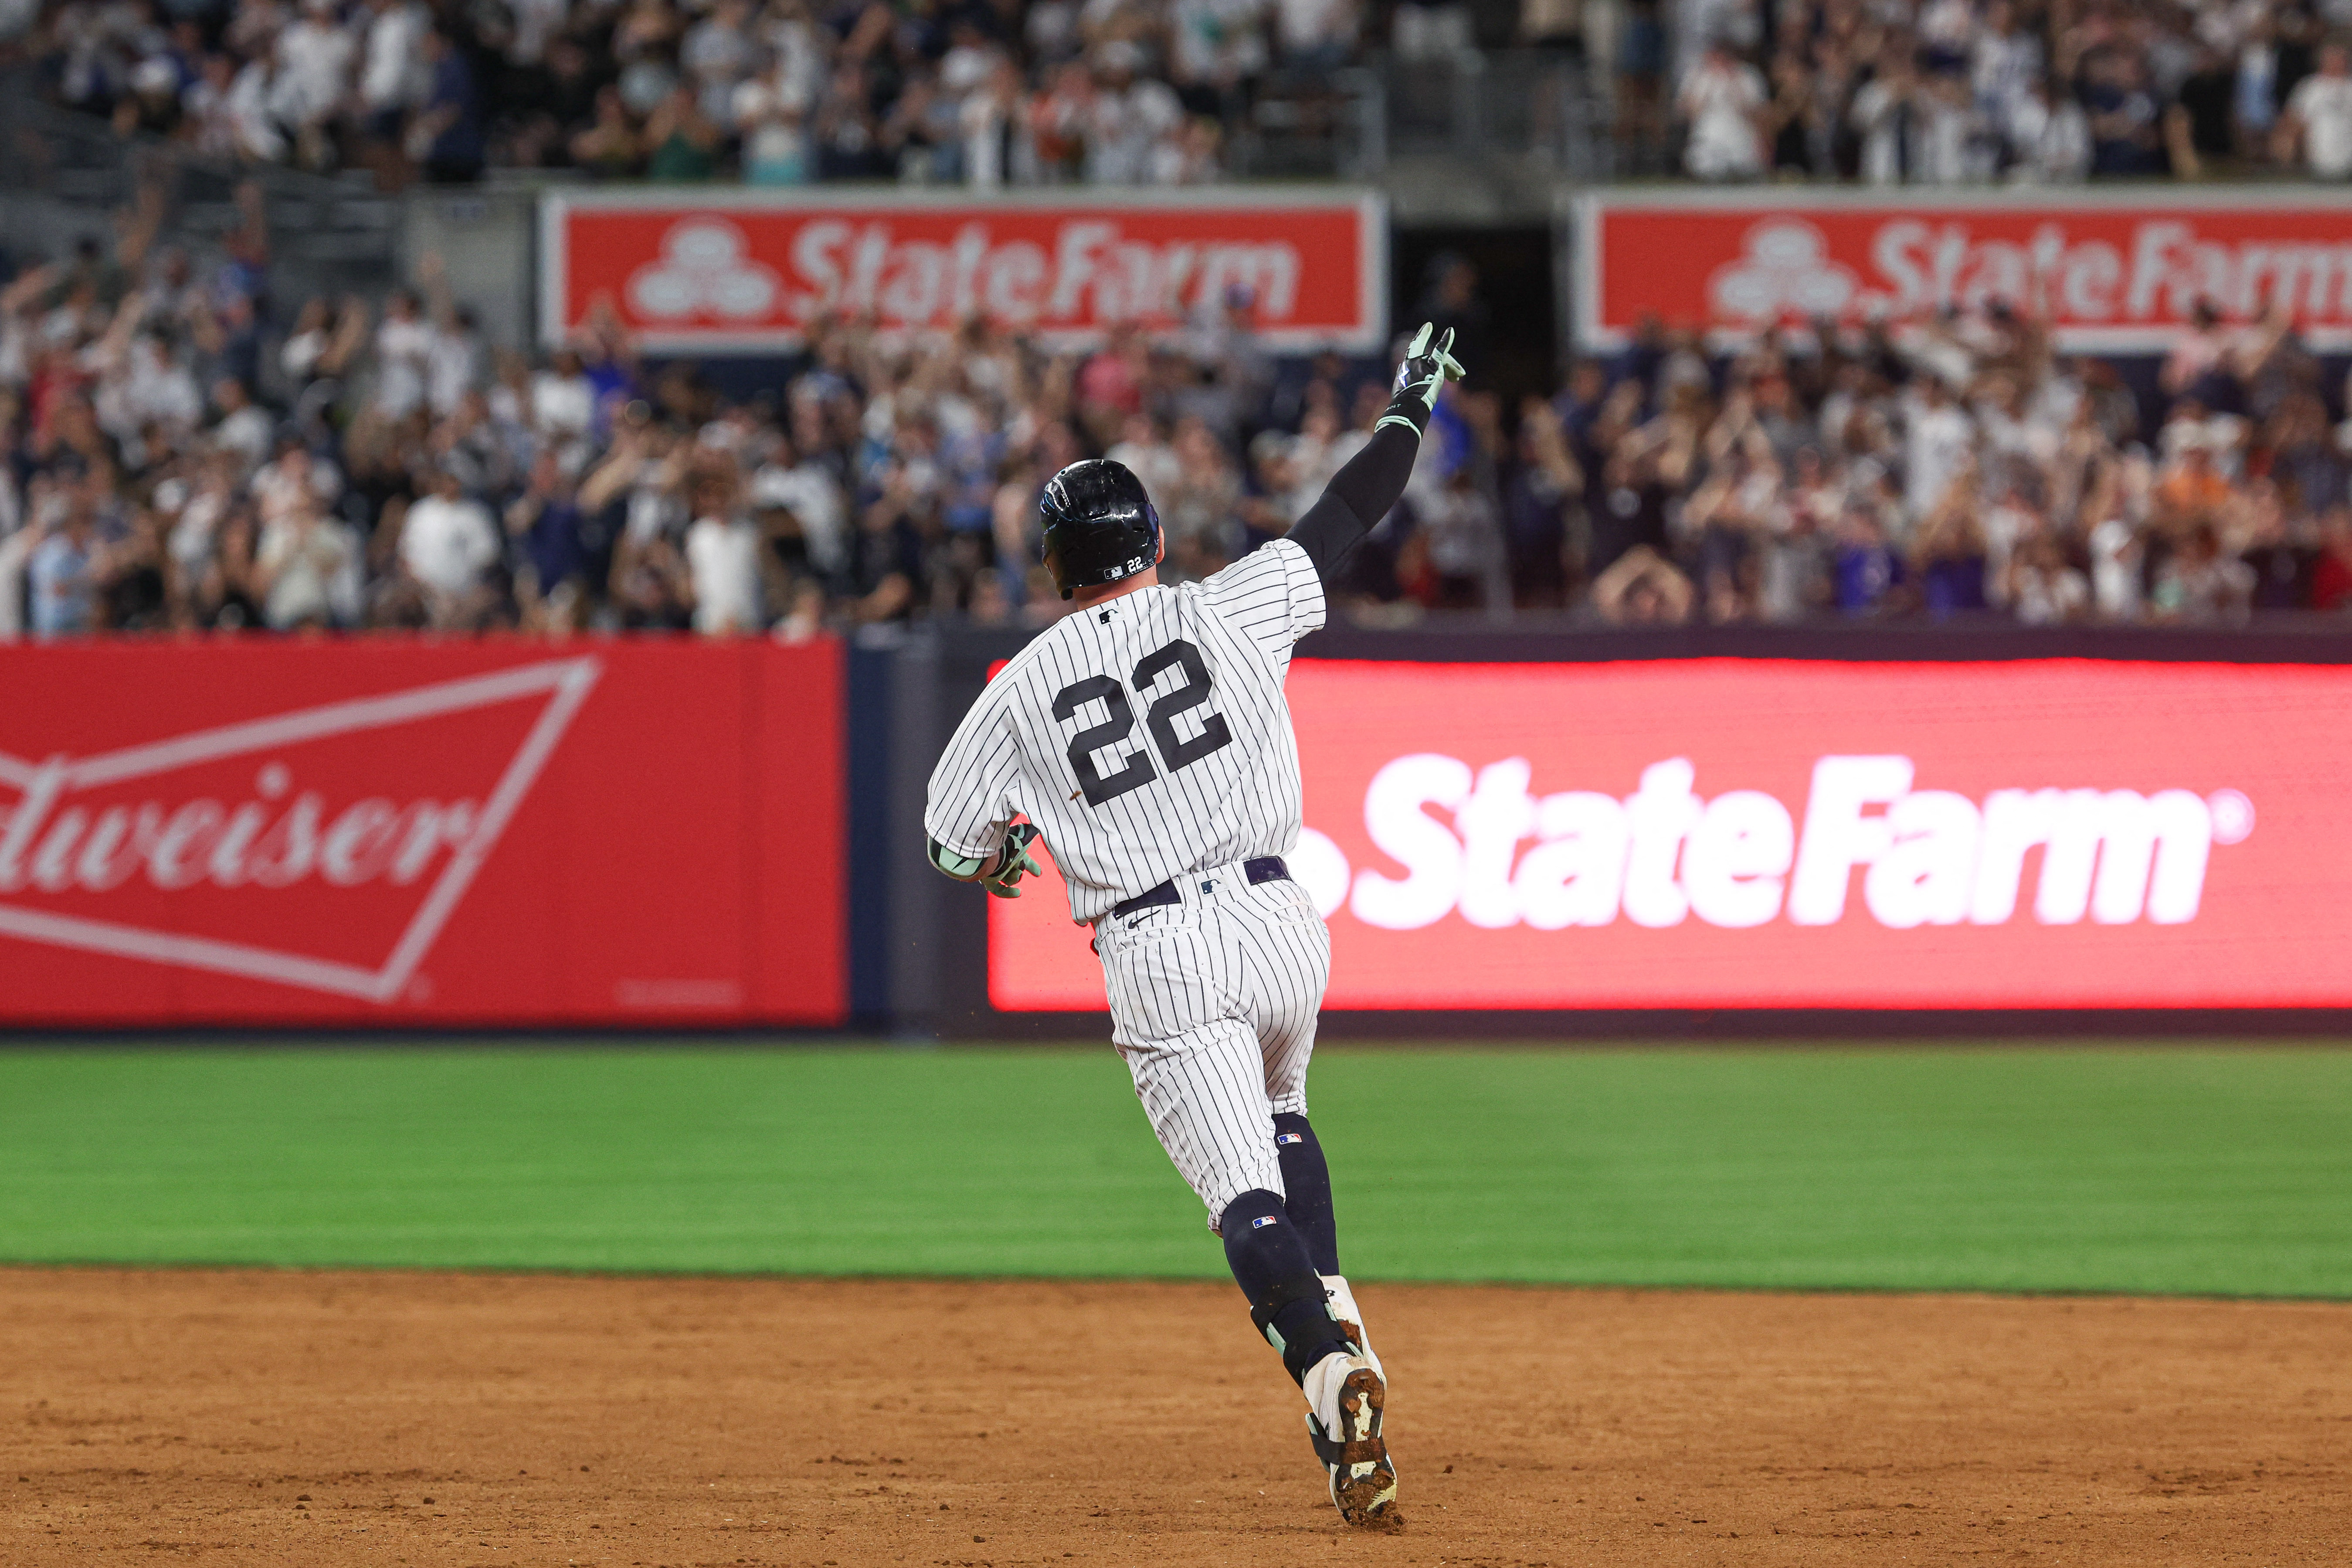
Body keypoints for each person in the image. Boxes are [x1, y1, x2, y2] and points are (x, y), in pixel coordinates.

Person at [920, 323, 1467, 1531]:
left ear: (1057, 569)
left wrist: (1013, 853)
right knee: (1287, 1123)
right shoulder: (1234, 604)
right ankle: (1343, 1385)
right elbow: (1346, 516)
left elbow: (951, 838)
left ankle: (1333, 1372)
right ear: (1157, 545)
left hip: (1160, 948)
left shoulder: (1016, 690)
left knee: (1242, 1200)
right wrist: (1410, 408)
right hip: (1280, 920)